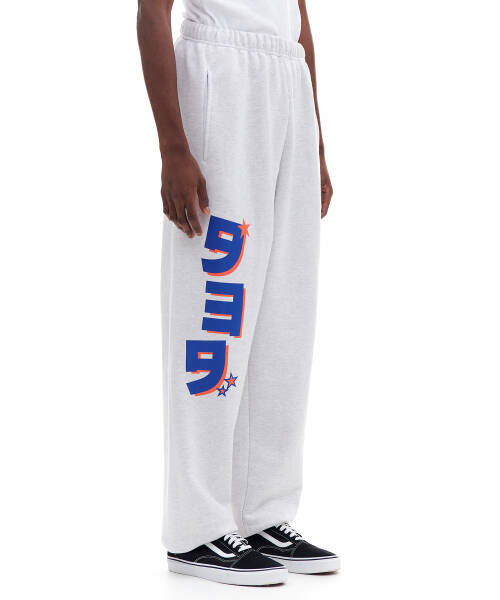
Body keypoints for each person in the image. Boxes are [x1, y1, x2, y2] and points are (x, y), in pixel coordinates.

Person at [137, 0, 339, 586]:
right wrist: (173, 148)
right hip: (220, 77)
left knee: (284, 313)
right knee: (217, 306)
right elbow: (152, 14)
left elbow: (299, 19)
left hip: (287, 83)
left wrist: (316, 140)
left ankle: (262, 512)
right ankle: (196, 527)